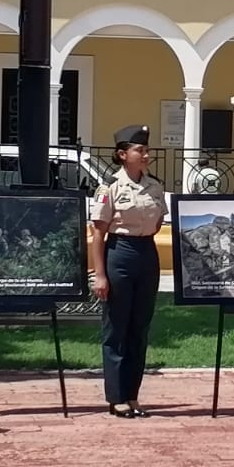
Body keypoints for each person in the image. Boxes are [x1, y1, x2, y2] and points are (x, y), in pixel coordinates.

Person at [89, 123, 168, 419]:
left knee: (140, 328)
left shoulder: (155, 185)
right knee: (116, 328)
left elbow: (159, 220)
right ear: (123, 154)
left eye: (146, 150)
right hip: (119, 253)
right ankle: (116, 396)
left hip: (146, 253)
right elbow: (98, 233)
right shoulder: (110, 187)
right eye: (140, 150)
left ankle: (133, 395)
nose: (145, 154)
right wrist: (100, 274)